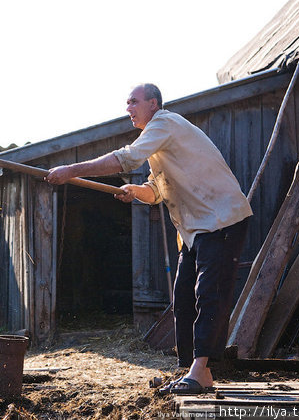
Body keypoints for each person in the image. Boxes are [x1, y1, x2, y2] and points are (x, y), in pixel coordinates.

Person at [45, 83, 252, 395]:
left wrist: (72, 170)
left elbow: (127, 159)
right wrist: (134, 191)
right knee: (183, 300)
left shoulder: (164, 123)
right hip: (197, 230)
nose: (128, 108)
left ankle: (199, 370)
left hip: (222, 220)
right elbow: (155, 191)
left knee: (209, 295)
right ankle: (195, 373)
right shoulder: (159, 142)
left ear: (154, 103)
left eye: (134, 102)